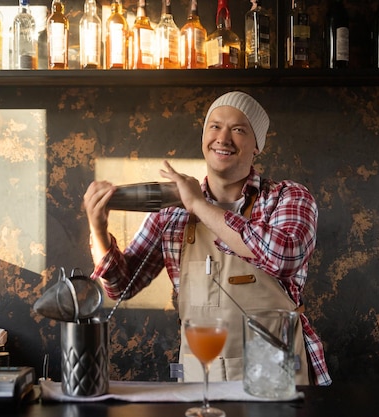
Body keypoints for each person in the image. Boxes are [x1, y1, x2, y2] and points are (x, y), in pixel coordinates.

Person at [83, 91, 331, 386]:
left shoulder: (287, 197)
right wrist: (98, 231)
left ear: (257, 147)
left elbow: (284, 256)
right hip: (201, 380)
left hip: (275, 376)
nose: (223, 138)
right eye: (214, 126)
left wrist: (200, 205)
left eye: (238, 129)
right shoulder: (171, 212)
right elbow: (121, 285)